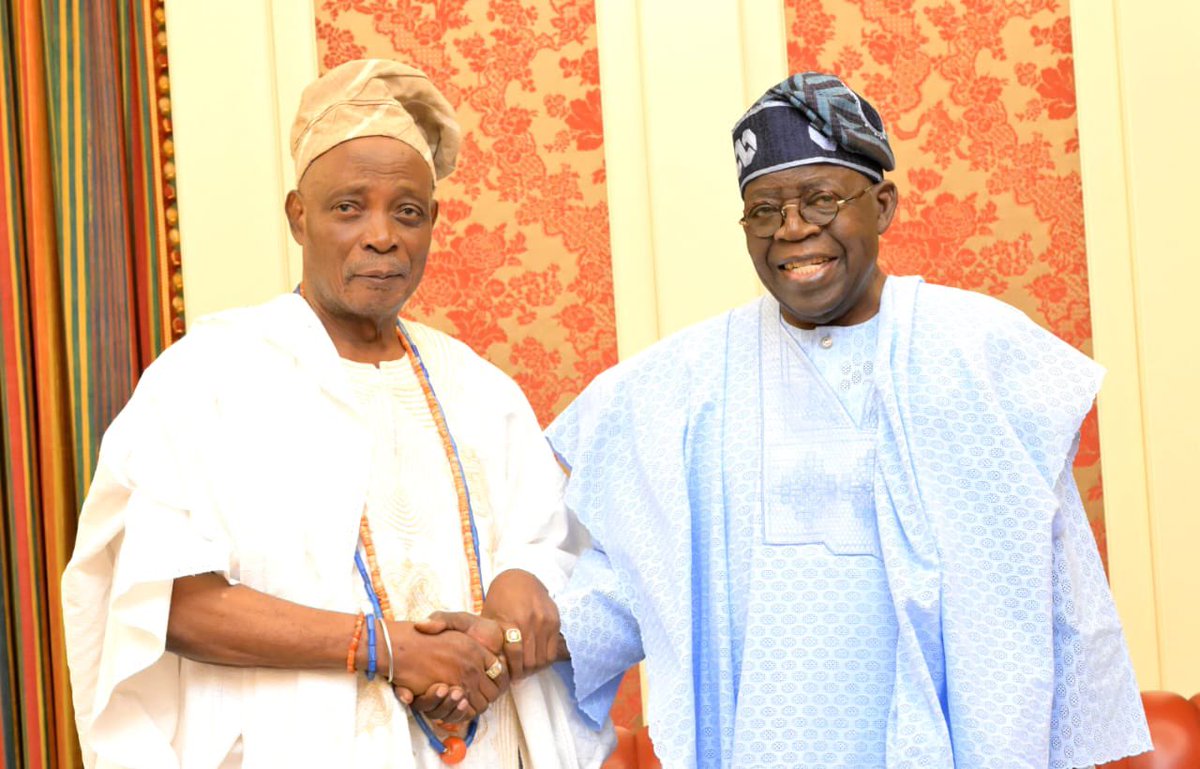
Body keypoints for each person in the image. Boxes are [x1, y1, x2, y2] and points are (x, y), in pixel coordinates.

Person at [545, 72, 1152, 768]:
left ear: (883, 204)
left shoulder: (979, 352)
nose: (793, 228)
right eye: (764, 209)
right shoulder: (687, 383)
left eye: (822, 199)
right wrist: (503, 645)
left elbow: (1060, 584)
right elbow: (633, 574)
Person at [61, 59, 610, 769]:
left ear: (433, 223)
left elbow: (559, 558)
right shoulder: (208, 379)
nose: (381, 235)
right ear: (298, 216)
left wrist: (512, 606)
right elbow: (167, 604)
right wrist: (385, 647)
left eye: (406, 211)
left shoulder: (482, 392)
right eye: (349, 206)